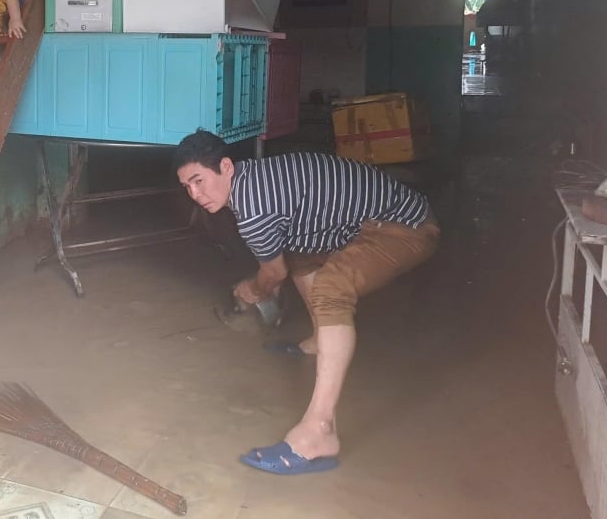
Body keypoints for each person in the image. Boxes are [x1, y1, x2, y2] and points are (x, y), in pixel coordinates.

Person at [173, 130, 439, 475]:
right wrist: (264, 279)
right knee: (301, 255)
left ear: (225, 167)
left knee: (331, 287)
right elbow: (287, 262)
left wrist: (254, 288)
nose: (196, 195)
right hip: (366, 220)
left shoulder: (253, 210)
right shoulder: (254, 176)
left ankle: (319, 433)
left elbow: (273, 274)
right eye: (187, 187)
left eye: (199, 181)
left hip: (406, 226)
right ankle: (319, 340)